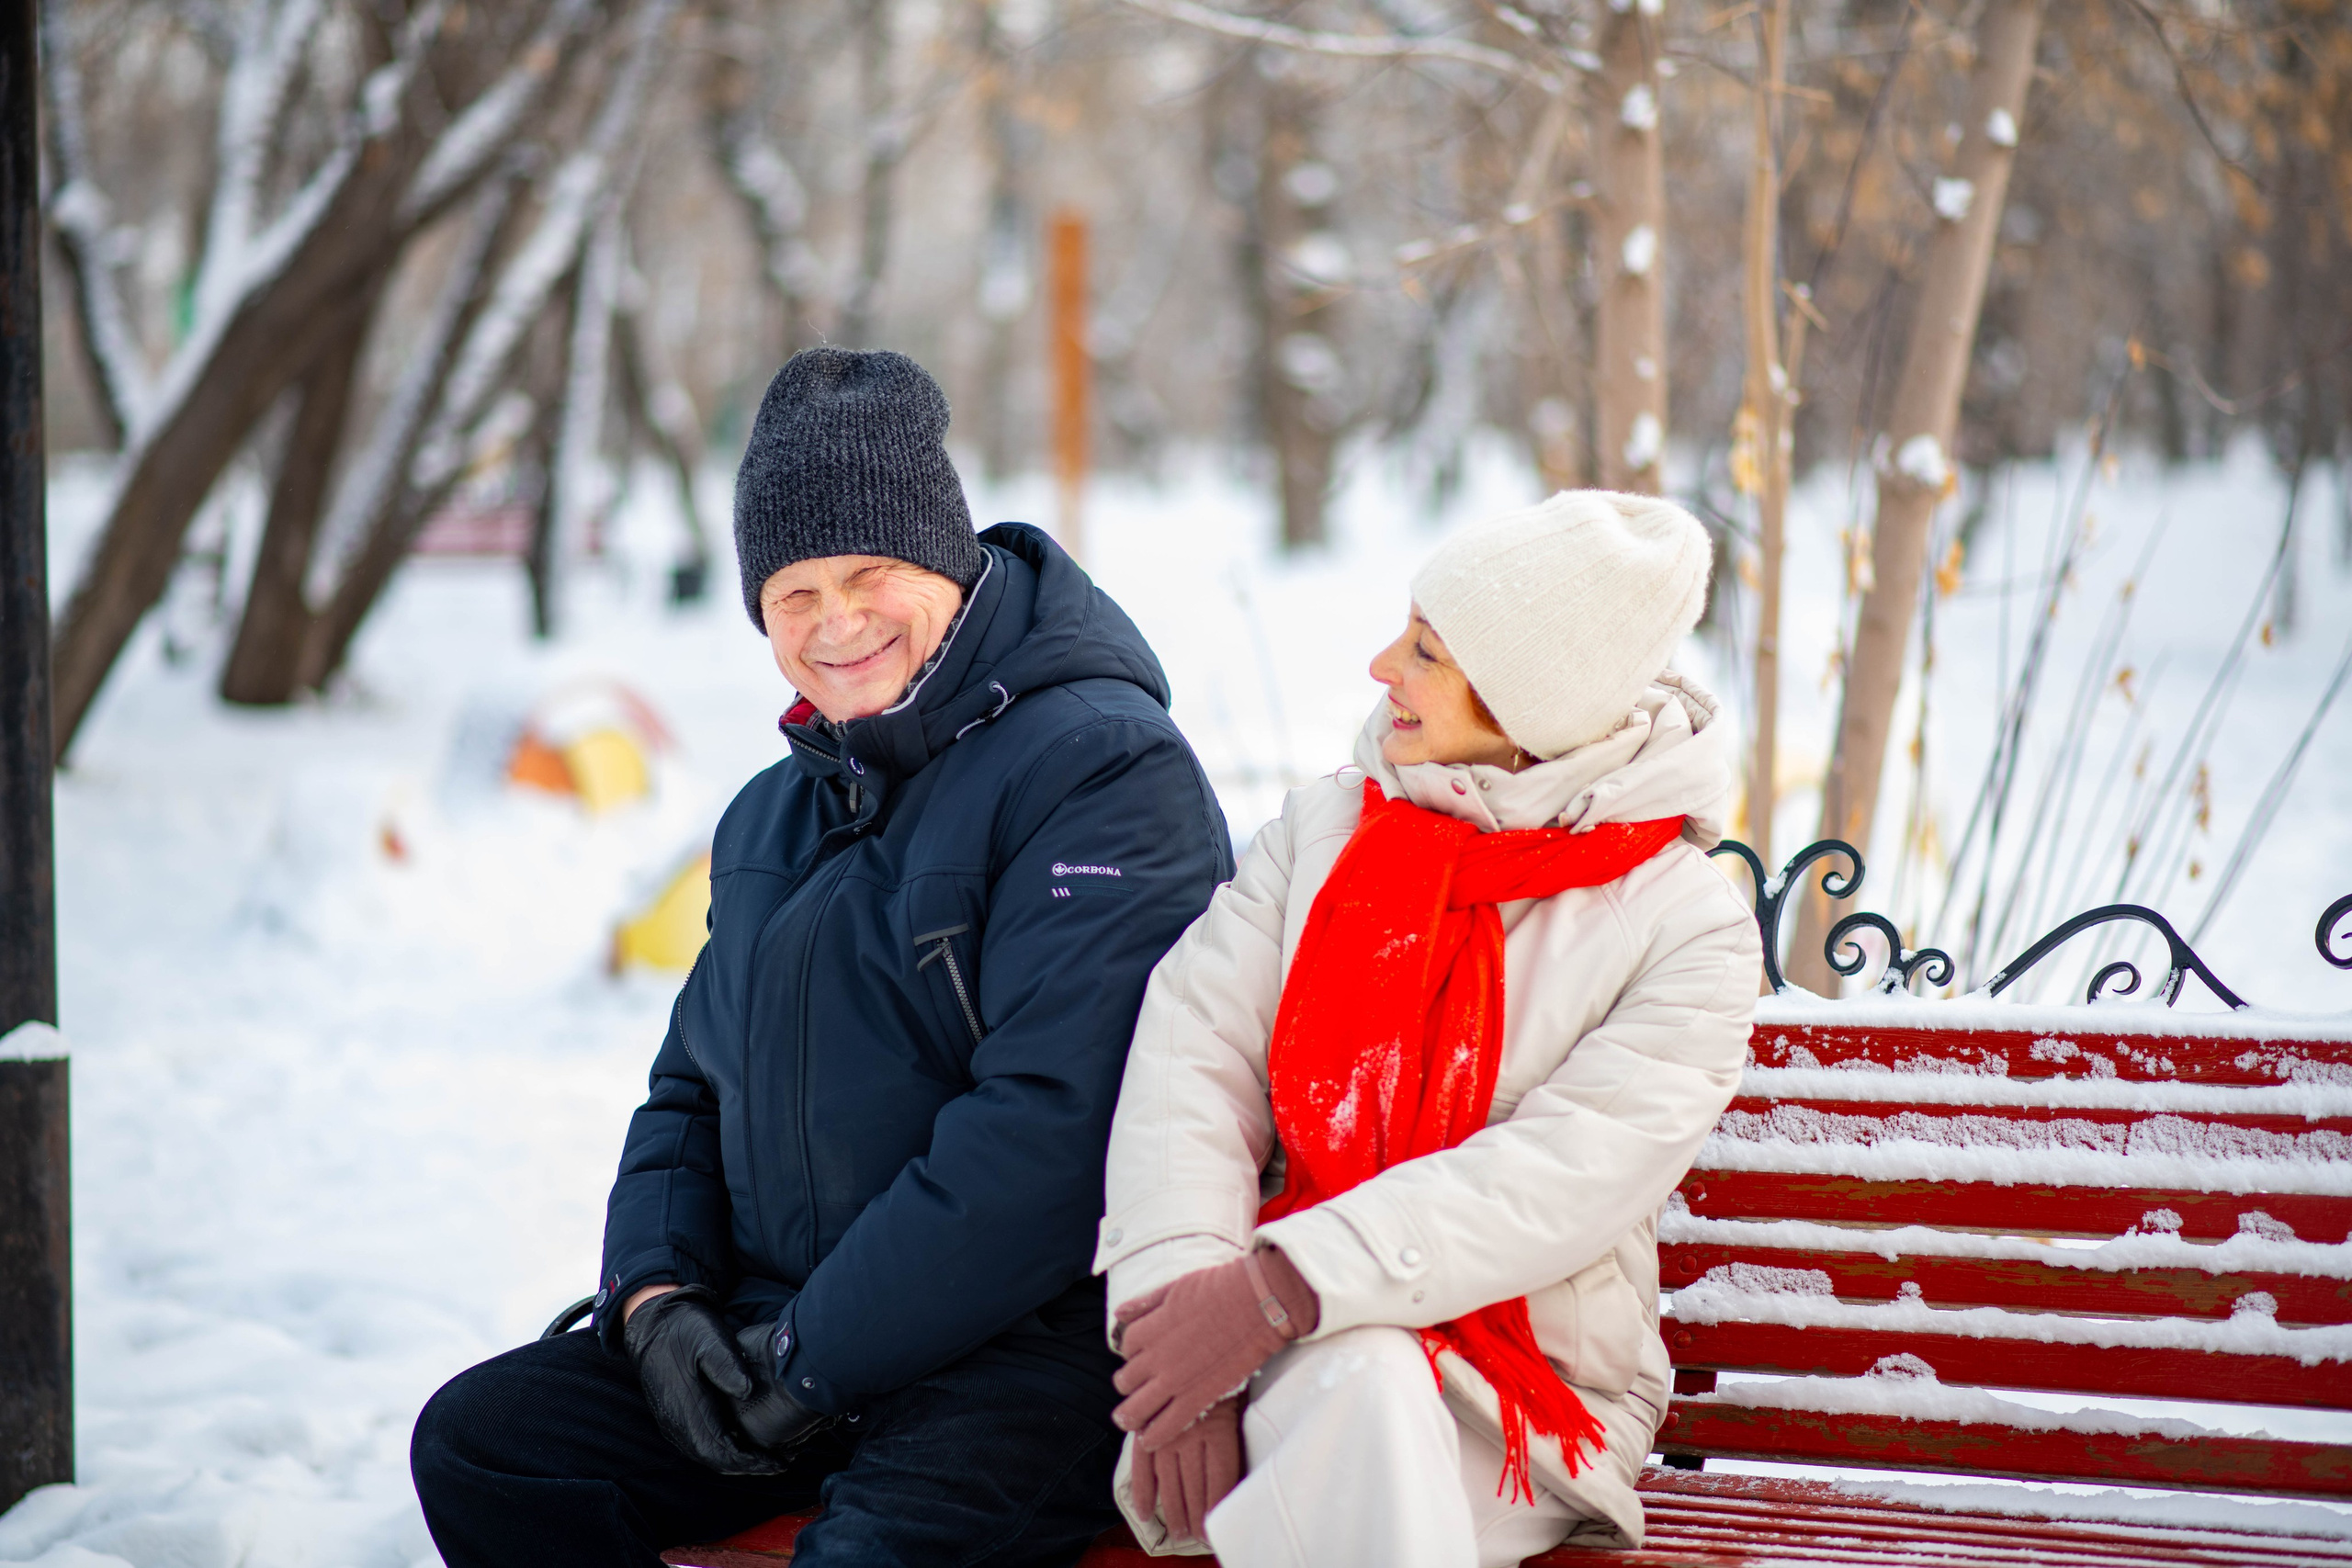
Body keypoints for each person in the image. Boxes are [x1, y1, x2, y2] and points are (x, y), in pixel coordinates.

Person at [411, 348, 1234, 1568]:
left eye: (870, 573)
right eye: (793, 592)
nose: (836, 621)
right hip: (781, 1335)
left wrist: (810, 1360)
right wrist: (657, 1301)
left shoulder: (1103, 769)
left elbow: (1053, 1138)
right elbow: (689, 1087)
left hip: (1020, 1345)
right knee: (489, 1442)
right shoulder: (770, 815)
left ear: (946, 564)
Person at [1094, 491, 1762, 1567]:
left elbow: (1565, 1174)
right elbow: (1190, 1058)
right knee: (1358, 1388)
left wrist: (1282, 1289)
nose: (1379, 667)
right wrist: (1190, 1334)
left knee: (1365, 1403)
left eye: (1427, 651)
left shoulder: (1684, 926)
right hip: (1284, 1356)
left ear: (1527, 705)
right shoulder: (1323, 833)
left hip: (1525, 1407)